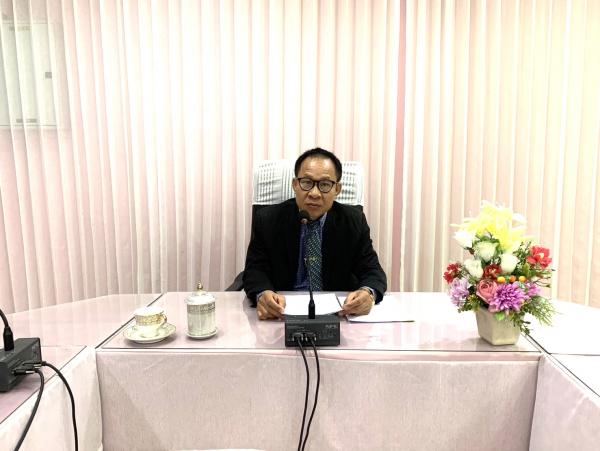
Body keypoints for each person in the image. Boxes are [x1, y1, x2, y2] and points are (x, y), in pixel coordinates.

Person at [243, 148, 387, 320]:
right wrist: (263, 293)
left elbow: (372, 270)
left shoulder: (353, 221)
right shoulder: (268, 220)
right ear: (295, 185)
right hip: (281, 313)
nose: (314, 193)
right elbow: (255, 270)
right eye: (307, 182)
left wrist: (368, 293)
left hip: (338, 314)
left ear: (337, 189)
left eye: (325, 185)